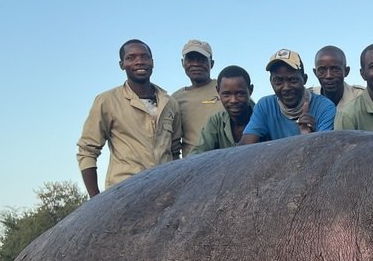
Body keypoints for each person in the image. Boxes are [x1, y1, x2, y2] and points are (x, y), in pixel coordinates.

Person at [77, 39, 181, 197]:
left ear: (152, 62)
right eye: (131, 58)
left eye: (145, 57)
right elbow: (87, 151)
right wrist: (95, 199)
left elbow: (174, 151)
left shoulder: (169, 103)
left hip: (164, 190)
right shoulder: (107, 101)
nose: (139, 62)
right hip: (124, 192)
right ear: (122, 65)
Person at [238, 49, 335, 144]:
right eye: (278, 81)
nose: (286, 88)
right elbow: (245, 145)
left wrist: (310, 138)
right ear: (271, 81)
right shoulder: (265, 106)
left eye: (293, 80)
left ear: (304, 79)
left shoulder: (325, 107)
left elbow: (324, 150)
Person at [170, 39, 222, 156]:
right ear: (183, 63)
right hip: (194, 167)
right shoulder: (175, 99)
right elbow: (173, 143)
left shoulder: (226, 88)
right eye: (190, 59)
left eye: (202, 59)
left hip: (228, 162)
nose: (196, 64)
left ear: (212, 63)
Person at [190, 65, 256, 153]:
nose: (233, 100)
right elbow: (197, 155)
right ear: (218, 91)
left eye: (240, 93)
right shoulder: (216, 122)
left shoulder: (264, 118)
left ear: (250, 90)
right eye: (226, 94)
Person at [308, 45, 366, 110]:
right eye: (322, 70)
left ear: (346, 71)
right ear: (315, 73)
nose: (328, 76)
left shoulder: (362, 97)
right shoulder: (308, 98)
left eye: (335, 69)